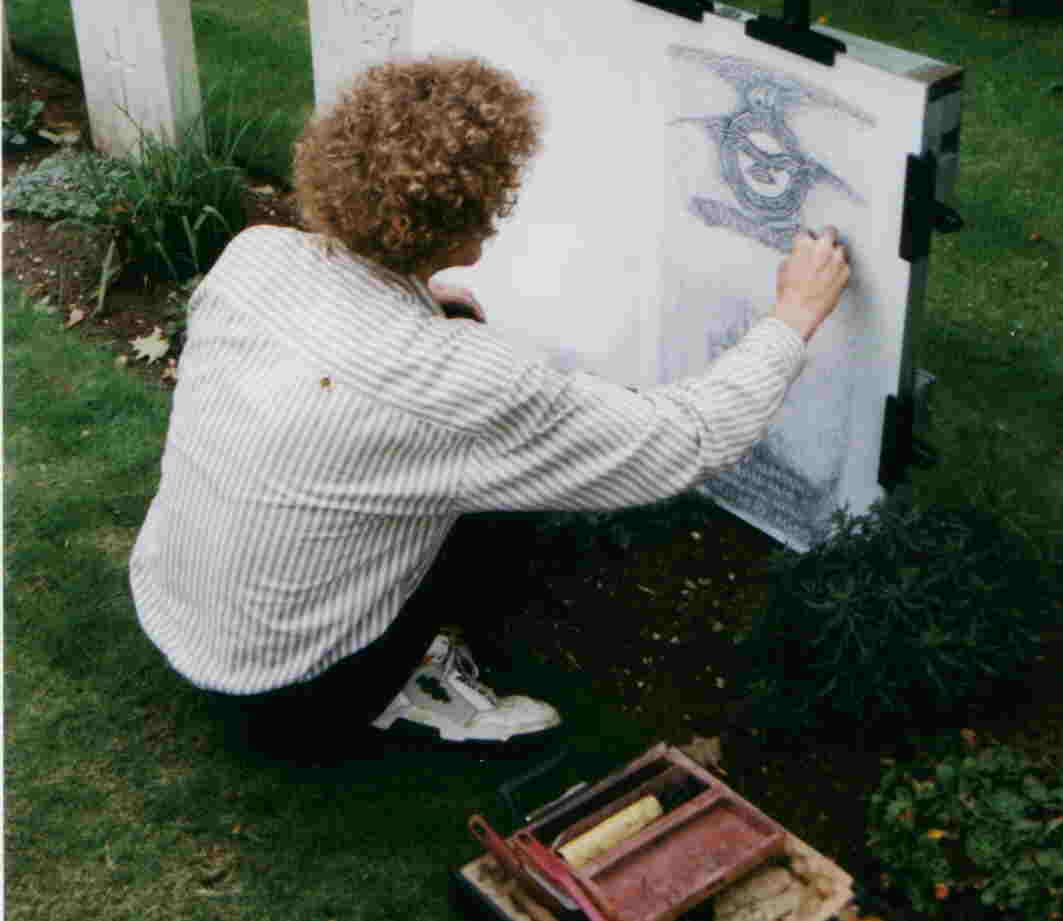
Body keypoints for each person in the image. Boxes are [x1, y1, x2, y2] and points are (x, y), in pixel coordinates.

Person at [129, 55, 850, 761]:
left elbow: (336, 350)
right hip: (294, 691)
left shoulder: (256, 255)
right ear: (473, 224)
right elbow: (689, 440)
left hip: (175, 608)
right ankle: (415, 681)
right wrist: (792, 316)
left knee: (471, 450)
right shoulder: (461, 383)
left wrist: (420, 306)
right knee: (526, 479)